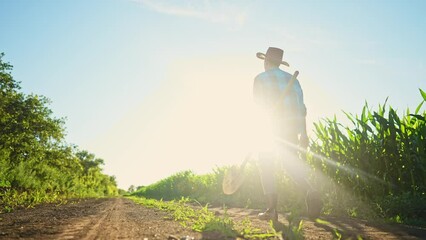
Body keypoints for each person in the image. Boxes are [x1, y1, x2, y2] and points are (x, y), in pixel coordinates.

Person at [253, 47, 310, 221]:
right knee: (290, 164)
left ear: (266, 61)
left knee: (266, 165)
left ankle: (271, 210)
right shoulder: (292, 80)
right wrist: (304, 134)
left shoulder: (260, 79)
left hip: (270, 128)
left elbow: (257, 107)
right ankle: (311, 191)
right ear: (279, 62)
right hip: (291, 128)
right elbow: (302, 110)